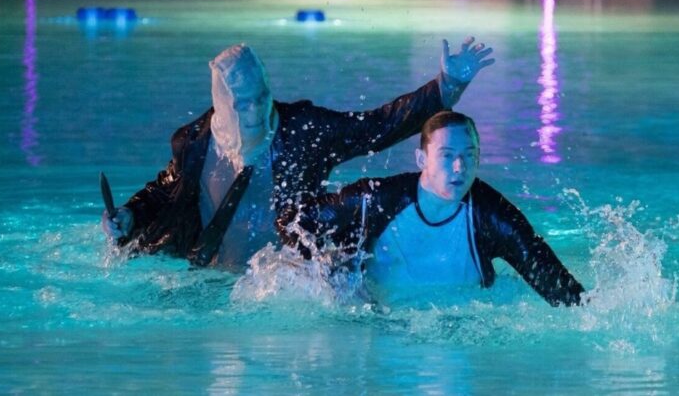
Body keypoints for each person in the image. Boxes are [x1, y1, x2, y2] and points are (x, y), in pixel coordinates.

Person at [102, 38, 495, 269]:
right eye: (243, 105)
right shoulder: (194, 142)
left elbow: (376, 127)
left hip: (282, 283)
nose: (256, 113)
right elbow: (165, 190)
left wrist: (446, 85)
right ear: (222, 105)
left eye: (262, 98)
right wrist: (131, 214)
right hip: (207, 278)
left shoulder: (303, 132)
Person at [277, 111, 585, 306]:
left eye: (469, 155)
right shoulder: (378, 199)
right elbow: (293, 220)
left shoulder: (492, 215)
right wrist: (328, 276)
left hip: (462, 333)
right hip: (376, 327)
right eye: (447, 155)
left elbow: (553, 281)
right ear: (421, 159)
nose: (459, 166)